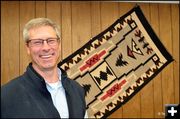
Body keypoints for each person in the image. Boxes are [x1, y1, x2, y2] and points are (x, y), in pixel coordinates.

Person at [1, 18, 88, 118]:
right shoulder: (6, 96)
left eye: (51, 41)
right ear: (28, 48)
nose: (46, 48)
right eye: (37, 42)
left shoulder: (77, 90)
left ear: (59, 45)